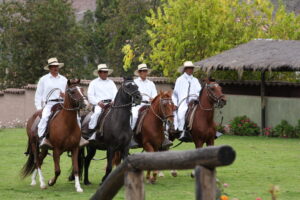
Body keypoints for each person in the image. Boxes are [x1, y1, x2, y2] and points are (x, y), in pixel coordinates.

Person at [35, 57, 88, 148]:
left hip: (63, 104)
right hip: (50, 104)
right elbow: (38, 94)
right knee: (44, 118)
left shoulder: (64, 79)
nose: (55, 68)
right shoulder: (43, 79)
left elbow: (69, 93)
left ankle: (80, 138)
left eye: (56, 66)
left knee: (77, 118)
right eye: (53, 66)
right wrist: (39, 108)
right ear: (49, 68)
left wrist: (64, 96)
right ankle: (42, 138)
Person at [130, 63, 172, 148]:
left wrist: (152, 99)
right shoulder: (134, 83)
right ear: (139, 72)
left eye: (145, 71)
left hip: (150, 105)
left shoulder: (151, 83)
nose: (144, 72)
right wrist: (139, 99)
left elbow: (155, 95)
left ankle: (165, 136)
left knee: (163, 116)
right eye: (142, 71)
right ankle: (131, 137)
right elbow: (133, 96)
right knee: (134, 116)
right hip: (138, 105)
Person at [172, 61, 201, 142]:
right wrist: (175, 104)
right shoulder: (179, 80)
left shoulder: (195, 80)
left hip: (195, 102)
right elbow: (175, 94)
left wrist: (197, 98)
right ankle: (182, 131)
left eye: (192, 68)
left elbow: (199, 91)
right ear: (185, 69)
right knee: (181, 113)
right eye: (189, 68)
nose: (191, 70)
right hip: (183, 102)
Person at [87, 64, 118, 140]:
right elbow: (90, 95)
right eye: (102, 72)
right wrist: (98, 102)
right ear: (99, 73)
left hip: (111, 104)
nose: (104, 73)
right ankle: (92, 132)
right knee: (97, 113)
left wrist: (114, 100)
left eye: (106, 72)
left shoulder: (111, 82)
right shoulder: (93, 83)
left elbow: (116, 93)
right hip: (99, 105)